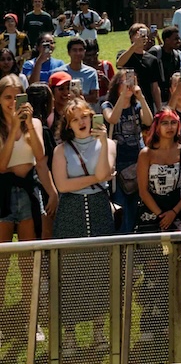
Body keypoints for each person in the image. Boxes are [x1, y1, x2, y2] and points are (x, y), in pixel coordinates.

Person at [52, 97, 116, 238]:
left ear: (91, 117)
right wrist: (96, 178)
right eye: (75, 120)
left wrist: (103, 143)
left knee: (103, 256)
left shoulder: (109, 144)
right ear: (68, 125)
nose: (81, 122)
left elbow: (102, 173)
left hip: (99, 208)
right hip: (70, 211)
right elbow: (62, 186)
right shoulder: (60, 150)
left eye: (84, 117)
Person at [103, 67, 154, 232]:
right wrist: (122, 97)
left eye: (132, 81)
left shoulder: (137, 105)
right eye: (125, 81)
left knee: (135, 209)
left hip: (137, 163)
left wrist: (141, 97)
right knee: (121, 209)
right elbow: (112, 118)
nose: (129, 85)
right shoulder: (107, 104)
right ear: (117, 85)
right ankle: (121, 249)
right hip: (117, 167)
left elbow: (149, 120)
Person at [0, 74, 50, 240]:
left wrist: (27, 125)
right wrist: (13, 128)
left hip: (28, 190)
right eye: (8, 97)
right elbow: (2, 165)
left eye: (17, 97)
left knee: (29, 252)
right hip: (4, 191)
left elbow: (40, 156)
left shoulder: (34, 123)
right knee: (3, 255)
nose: (13, 102)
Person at [135, 111, 181, 232]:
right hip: (151, 211)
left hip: (177, 210)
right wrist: (161, 215)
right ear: (157, 127)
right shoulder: (146, 154)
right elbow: (143, 191)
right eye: (165, 123)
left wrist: (173, 213)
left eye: (173, 123)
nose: (170, 127)